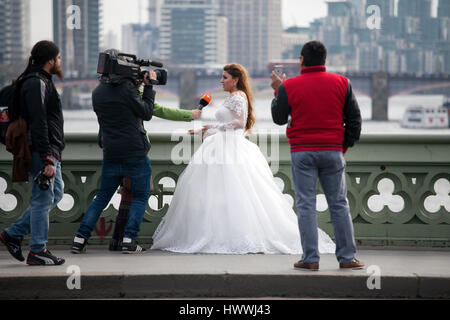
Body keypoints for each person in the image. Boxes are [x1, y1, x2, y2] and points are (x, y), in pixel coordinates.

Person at [150, 63, 336, 254]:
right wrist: (206, 129)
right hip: (221, 146)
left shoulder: (238, 96)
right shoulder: (233, 97)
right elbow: (227, 122)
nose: (220, 81)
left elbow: (238, 123)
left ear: (235, 79)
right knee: (221, 194)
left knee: (233, 192)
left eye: (224, 77)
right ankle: (221, 232)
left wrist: (214, 128)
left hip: (230, 149)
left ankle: (229, 235)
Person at [270, 41, 363, 270]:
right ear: (325, 60)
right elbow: (354, 120)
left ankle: (310, 259)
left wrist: (277, 89)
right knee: (339, 204)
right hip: (332, 151)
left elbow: (279, 118)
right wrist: (342, 147)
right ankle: (347, 258)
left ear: (301, 60)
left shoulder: (289, 86)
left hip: (302, 151)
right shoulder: (342, 83)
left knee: (306, 205)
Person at [70, 49, 156, 254]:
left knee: (102, 197)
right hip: (134, 151)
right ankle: (129, 240)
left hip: (110, 151)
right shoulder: (127, 89)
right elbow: (146, 112)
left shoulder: (97, 91)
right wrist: (149, 88)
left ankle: (79, 239)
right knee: (140, 196)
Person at [0, 40, 66, 265]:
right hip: (40, 151)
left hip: (48, 150)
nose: (60, 62)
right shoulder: (36, 82)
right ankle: (37, 250)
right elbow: (38, 122)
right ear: (50, 61)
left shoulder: (42, 81)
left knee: (55, 194)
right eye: (58, 58)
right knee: (42, 199)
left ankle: (12, 234)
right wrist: (47, 157)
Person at [108, 102, 203, 251]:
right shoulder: (133, 93)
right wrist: (190, 115)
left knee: (126, 192)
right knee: (142, 191)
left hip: (113, 147)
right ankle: (127, 239)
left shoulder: (109, 90)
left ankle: (116, 239)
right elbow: (161, 111)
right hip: (134, 149)